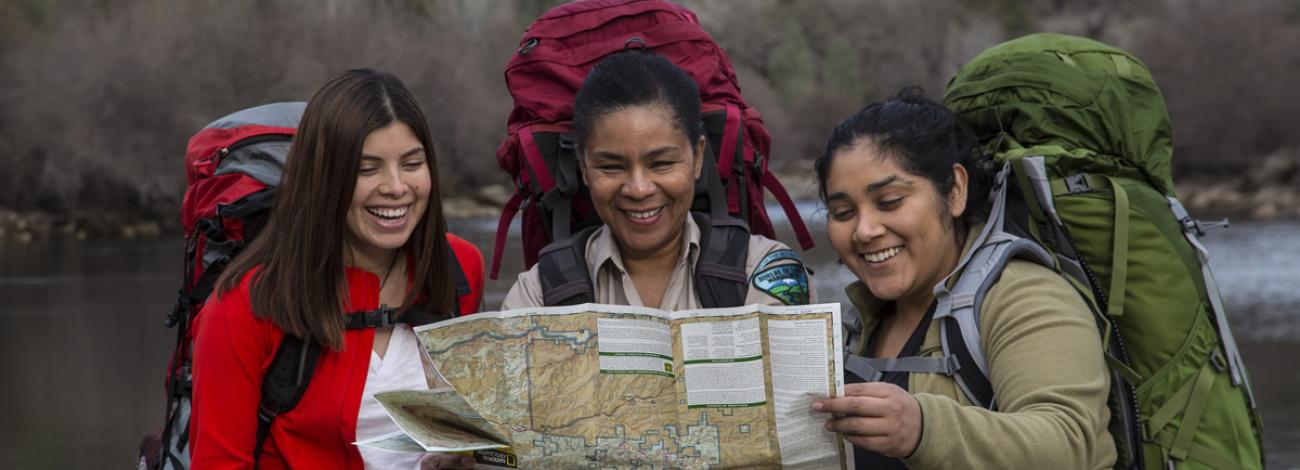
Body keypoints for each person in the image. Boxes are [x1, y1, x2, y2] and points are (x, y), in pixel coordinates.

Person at [190, 68, 484, 470]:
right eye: (368, 169)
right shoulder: (244, 306)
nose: (396, 186)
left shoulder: (459, 267)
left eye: (412, 164)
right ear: (323, 179)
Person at [809, 90, 1116, 468]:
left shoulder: (1024, 297)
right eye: (843, 212)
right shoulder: (861, 325)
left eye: (889, 201)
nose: (865, 230)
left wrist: (923, 429)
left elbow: (1069, 445)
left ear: (955, 191)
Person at [500, 50, 811, 310]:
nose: (638, 188)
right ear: (583, 165)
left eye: (661, 164)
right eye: (611, 167)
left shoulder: (765, 270)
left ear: (698, 156)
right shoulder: (538, 296)